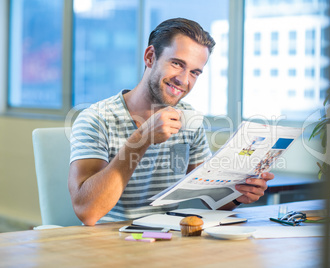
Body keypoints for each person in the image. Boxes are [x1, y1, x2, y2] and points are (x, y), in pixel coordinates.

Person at [68, 18, 274, 226]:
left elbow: (212, 196)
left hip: (167, 238)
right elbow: (88, 211)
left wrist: (239, 194)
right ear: (150, 57)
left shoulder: (189, 120)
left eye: (194, 72)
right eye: (177, 64)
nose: (184, 80)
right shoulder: (96, 118)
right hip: (107, 242)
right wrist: (142, 138)